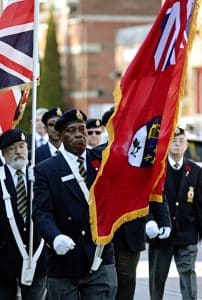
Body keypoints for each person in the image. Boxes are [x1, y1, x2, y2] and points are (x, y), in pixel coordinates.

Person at [33, 108, 117, 300]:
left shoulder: (103, 161)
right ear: (59, 135)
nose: (79, 135)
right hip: (64, 259)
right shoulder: (46, 170)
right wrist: (54, 238)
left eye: (82, 130)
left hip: (99, 255)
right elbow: (41, 212)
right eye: (72, 131)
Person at [97, 106, 171, 300]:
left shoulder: (143, 156)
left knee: (127, 281)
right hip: (103, 231)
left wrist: (163, 221)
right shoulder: (96, 156)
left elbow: (155, 191)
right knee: (103, 282)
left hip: (131, 230)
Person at [147, 127, 202, 300]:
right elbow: (148, 199)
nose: (177, 145)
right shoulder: (158, 169)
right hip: (162, 234)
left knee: (188, 275)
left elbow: (200, 203)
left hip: (187, 232)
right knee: (157, 278)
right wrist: (151, 222)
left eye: (181, 141)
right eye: (173, 141)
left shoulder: (194, 170)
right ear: (167, 144)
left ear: (186, 145)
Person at [0, 128, 46, 300]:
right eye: (12, 148)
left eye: (22, 146)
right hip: (4, 261)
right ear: (4, 154)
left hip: (36, 258)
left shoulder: (40, 176)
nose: (18, 151)